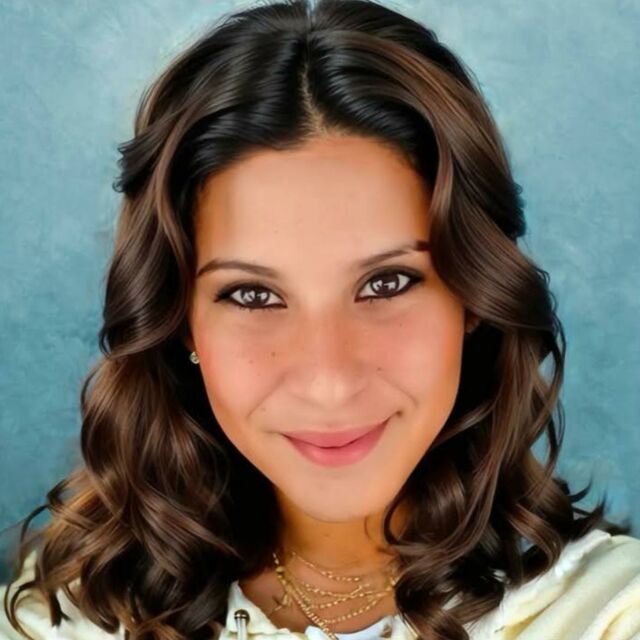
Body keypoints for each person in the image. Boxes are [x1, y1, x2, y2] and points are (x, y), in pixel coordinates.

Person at [1, 0, 639, 639]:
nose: (328, 381)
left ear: (473, 296)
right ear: (181, 321)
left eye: (386, 284)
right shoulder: (62, 621)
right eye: (253, 296)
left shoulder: (612, 614)